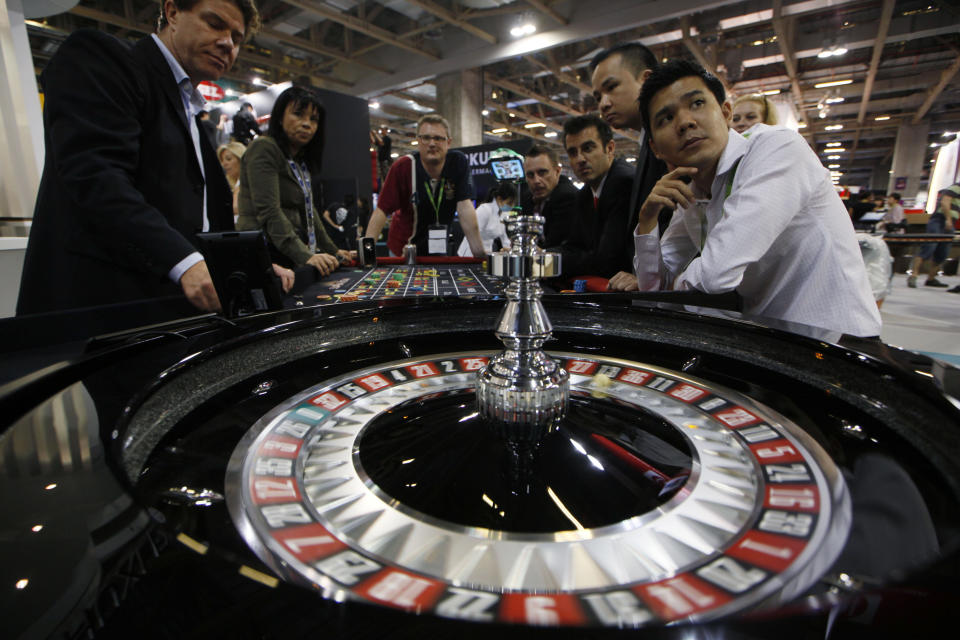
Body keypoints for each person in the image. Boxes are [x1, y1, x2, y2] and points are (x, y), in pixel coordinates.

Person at [16, 0, 276, 316]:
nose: (227, 44)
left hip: (167, 321)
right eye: (214, 23)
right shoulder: (104, 57)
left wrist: (252, 268)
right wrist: (186, 263)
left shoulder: (192, 115)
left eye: (237, 38)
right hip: (97, 316)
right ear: (172, 12)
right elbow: (96, 175)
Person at [627, 59, 880, 337]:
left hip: (838, 342)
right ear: (655, 148)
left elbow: (716, 275)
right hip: (774, 342)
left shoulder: (776, 149)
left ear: (725, 113)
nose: (685, 122)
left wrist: (672, 286)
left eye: (697, 103)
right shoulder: (692, 192)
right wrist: (647, 220)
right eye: (666, 118)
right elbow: (652, 288)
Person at [237, 86, 349, 276]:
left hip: (286, 253)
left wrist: (333, 250)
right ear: (280, 117)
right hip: (263, 254)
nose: (307, 124)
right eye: (298, 115)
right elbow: (269, 210)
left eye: (313, 119)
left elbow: (309, 211)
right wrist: (305, 255)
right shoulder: (264, 148)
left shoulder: (298, 160)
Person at [589, 42, 669, 289]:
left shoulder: (670, 140)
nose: (603, 103)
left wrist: (652, 279)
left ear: (646, 80)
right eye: (598, 96)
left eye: (611, 88)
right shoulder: (647, 140)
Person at [364, 114, 484, 258]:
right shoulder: (402, 167)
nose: (432, 143)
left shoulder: (458, 163)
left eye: (438, 138)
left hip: (438, 250)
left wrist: (480, 255)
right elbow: (381, 211)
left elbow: (465, 206)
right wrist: (367, 254)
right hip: (403, 250)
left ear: (449, 142)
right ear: (418, 141)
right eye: (426, 138)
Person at [560, 114, 635, 278]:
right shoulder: (584, 194)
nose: (580, 159)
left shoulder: (624, 183)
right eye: (573, 152)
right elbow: (574, 245)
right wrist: (542, 255)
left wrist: (552, 261)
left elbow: (607, 261)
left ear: (609, 148)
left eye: (587, 148)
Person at [520, 144, 579, 248]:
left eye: (542, 173)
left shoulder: (568, 197)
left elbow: (556, 246)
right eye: (530, 175)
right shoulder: (527, 198)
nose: (536, 181)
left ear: (557, 171)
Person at [910, 183, 958, 288]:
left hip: (951, 223)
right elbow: (945, 203)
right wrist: (948, 220)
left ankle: (931, 279)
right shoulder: (955, 188)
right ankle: (913, 276)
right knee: (928, 248)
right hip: (940, 220)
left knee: (943, 252)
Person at [458, 182, 513, 256]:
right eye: (509, 202)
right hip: (469, 253)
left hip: (487, 254)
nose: (512, 206)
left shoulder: (504, 215)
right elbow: (473, 234)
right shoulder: (484, 210)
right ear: (499, 199)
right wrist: (480, 253)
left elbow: (505, 238)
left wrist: (508, 249)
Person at [217, 141, 245, 219]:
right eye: (222, 160)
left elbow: (235, 207)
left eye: (228, 159)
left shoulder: (249, 182)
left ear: (241, 159)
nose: (224, 164)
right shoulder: (228, 184)